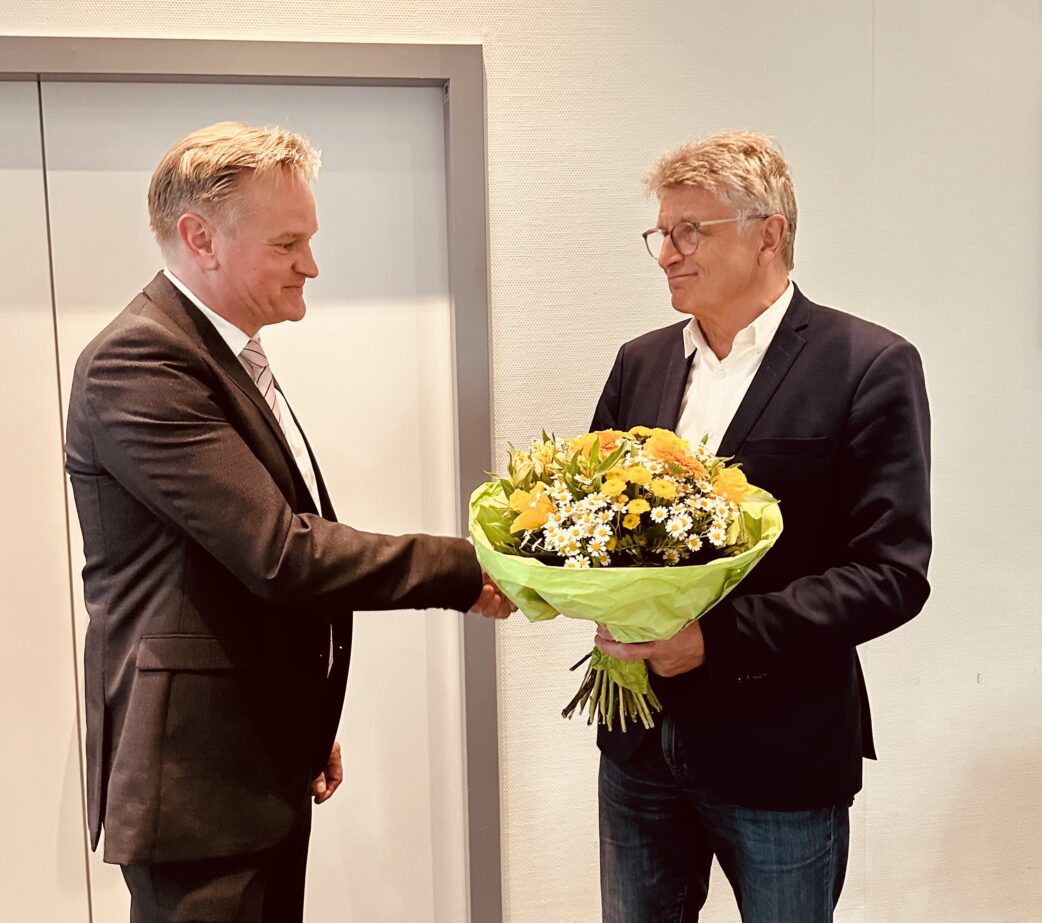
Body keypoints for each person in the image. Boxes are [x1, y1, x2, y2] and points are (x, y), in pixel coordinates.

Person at [64, 121, 512, 923]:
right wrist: (466, 567)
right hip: (197, 789)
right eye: (288, 242)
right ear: (200, 238)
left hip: (249, 762)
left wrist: (303, 716)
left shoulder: (223, 354)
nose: (312, 263)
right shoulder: (141, 362)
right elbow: (280, 553)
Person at [590, 130, 931, 923]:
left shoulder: (868, 364)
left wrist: (717, 639)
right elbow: (595, 528)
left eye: (690, 232)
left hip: (781, 751)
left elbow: (891, 572)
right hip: (637, 745)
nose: (668, 254)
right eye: (661, 235)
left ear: (768, 233)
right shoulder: (638, 363)